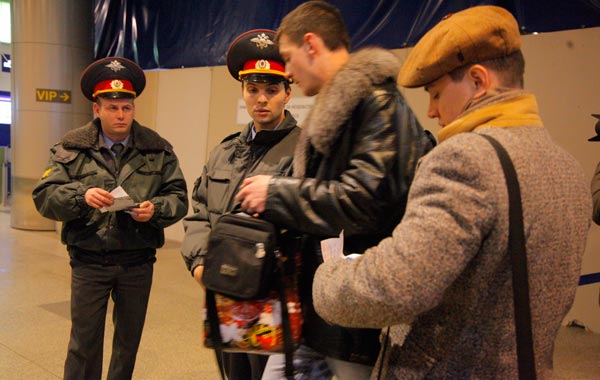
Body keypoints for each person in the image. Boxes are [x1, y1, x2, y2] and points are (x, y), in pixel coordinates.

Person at [311, 5, 592, 379]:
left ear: (477, 81)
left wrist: (327, 278)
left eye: (436, 92)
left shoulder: (466, 158)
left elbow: (397, 287)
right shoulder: (566, 166)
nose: (430, 111)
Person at [234, 2, 434, 379]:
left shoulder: (378, 106)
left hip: (354, 312)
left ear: (311, 44)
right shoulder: (338, 110)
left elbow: (367, 201)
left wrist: (276, 193)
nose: (288, 72)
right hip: (317, 306)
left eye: (289, 59)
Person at [32, 57, 189, 380]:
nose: (120, 115)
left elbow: (179, 197)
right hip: (89, 261)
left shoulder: (157, 150)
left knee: (127, 344)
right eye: (112, 107)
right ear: (96, 109)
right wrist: (81, 196)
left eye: (126, 108)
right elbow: (44, 197)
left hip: (137, 262)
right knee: (84, 343)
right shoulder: (71, 148)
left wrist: (155, 210)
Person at [180, 29, 301, 380]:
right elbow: (199, 211)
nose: (261, 99)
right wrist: (199, 263)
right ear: (243, 93)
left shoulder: (305, 149)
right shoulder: (224, 151)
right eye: (253, 90)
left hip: (274, 297)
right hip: (225, 292)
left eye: (271, 90)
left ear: (287, 93)